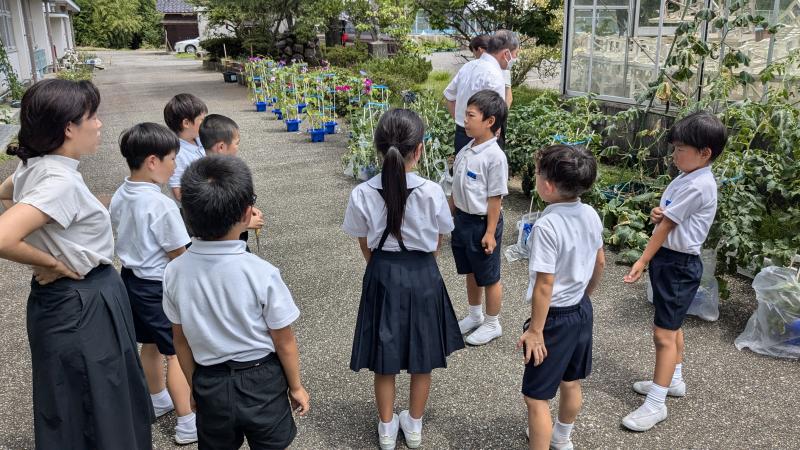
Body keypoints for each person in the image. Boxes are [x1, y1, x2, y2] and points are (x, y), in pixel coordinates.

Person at [0, 79, 152, 449]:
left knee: (70, 404)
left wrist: (47, 242)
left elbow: (5, 193)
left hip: (65, 301)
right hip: (82, 301)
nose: (99, 124)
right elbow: (3, 237)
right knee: (100, 405)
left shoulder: (35, 165)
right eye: (92, 116)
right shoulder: (59, 182)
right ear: (69, 128)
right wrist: (52, 261)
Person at [163, 155, 310, 449]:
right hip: (261, 381)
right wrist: (295, 386)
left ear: (186, 213)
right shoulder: (262, 273)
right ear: (246, 213)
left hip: (210, 380)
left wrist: (194, 386)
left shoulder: (174, 271)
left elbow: (180, 340)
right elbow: (284, 340)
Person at [343, 109, 464, 450]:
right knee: (422, 355)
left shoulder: (362, 193)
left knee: (385, 357)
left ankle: (386, 429)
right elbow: (439, 237)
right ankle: (414, 426)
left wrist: (380, 266)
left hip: (382, 272)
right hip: (423, 273)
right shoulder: (431, 191)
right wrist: (422, 265)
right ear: (419, 149)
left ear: (378, 149)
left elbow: (363, 242)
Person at [621, 111, 727, 431]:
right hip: (671, 260)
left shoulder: (699, 184)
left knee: (663, 334)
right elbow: (670, 215)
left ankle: (656, 404)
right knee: (672, 324)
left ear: (705, 153)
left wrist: (642, 260)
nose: (674, 154)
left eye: (681, 149)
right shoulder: (688, 176)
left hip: (678, 264)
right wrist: (660, 213)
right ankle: (674, 379)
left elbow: (668, 226)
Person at [109, 123, 196, 445]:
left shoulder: (122, 192)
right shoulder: (161, 205)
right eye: (172, 159)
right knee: (177, 351)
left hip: (131, 279)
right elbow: (178, 253)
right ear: (152, 161)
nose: (175, 166)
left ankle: (158, 399)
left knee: (150, 343)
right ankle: (187, 421)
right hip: (159, 286)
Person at [516, 145, 605, 450]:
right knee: (570, 381)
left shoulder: (547, 225)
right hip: (580, 310)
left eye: (537, 174)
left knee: (536, 398)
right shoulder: (590, 214)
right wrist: (584, 296)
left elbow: (545, 284)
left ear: (549, 186)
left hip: (554, 320)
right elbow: (600, 261)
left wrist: (535, 331)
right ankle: (562, 437)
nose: (535, 178)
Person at [450, 90, 509, 346]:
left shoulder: (494, 157)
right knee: (471, 271)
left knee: (489, 275)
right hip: (463, 220)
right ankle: (475, 315)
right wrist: (448, 215)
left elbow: (495, 198)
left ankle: (492, 323)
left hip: (483, 224)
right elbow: (456, 187)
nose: (465, 120)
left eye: (471, 115)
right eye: (465, 114)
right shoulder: (468, 148)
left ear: (490, 121)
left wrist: (490, 232)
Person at [444, 30, 518, 155]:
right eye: (515, 54)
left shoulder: (468, 66)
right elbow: (495, 116)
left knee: (461, 166)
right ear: (506, 54)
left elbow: (449, 97)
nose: (515, 59)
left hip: (461, 133)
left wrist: (462, 121)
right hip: (483, 140)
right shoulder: (495, 75)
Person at [198, 113, 265, 250]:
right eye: (236, 143)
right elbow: (214, 221)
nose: (237, 147)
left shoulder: (202, 171)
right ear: (221, 147)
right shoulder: (213, 180)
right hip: (224, 247)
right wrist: (245, 223)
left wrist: (246, 210)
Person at [164, 93, 208, 202]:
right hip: (195, 207)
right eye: (202, 120)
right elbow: (179, 194)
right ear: (186, 123)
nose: (205, 124)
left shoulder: (200, 140)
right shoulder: (177, 155)